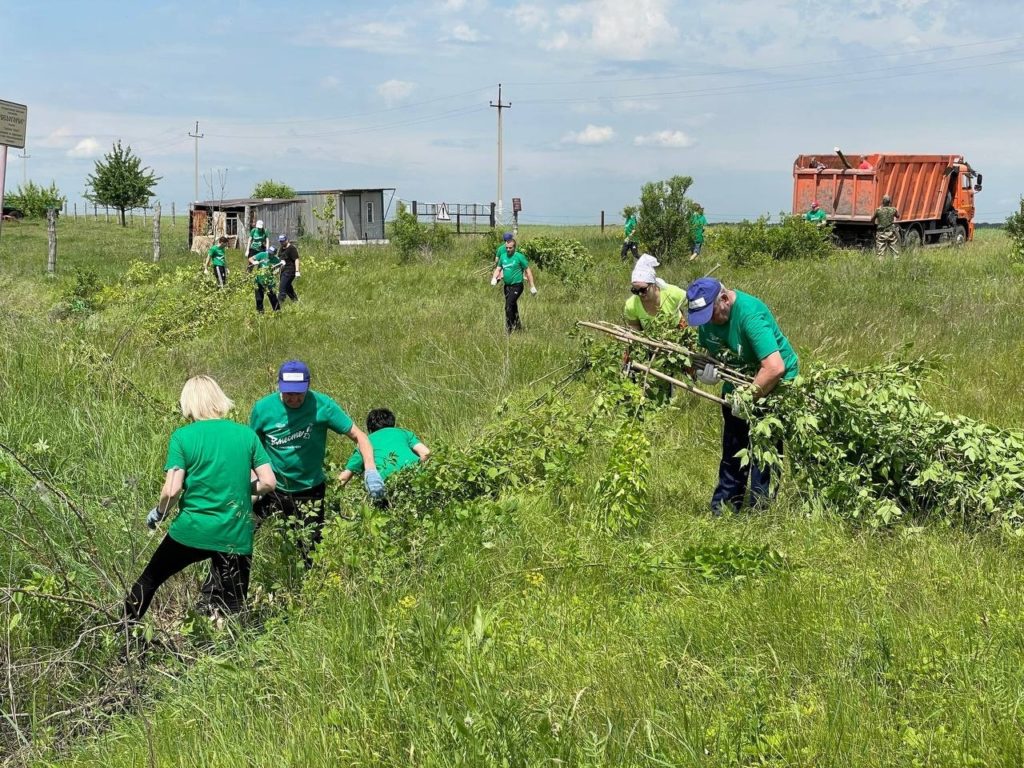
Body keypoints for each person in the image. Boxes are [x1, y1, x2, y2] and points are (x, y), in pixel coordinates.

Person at [124, 376, 276, 622]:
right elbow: (269, 482)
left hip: (192, 530)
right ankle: (232, 651)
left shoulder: (183, 437)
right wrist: (240, 490)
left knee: (149, 580)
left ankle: (124, 632)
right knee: (234, 603)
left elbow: (172, 490)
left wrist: (160, 512)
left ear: (188, 403)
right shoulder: (246, 435)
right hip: (234, 531)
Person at [248, 360, 382, 564]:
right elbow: (251, 447)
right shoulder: (263, 409)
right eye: (288, 393)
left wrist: (370, 469)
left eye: (298, 393)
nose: (293, 398)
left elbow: (359, 436)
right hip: (272, 488)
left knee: (311, 551)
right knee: (243, 535)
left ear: (308, 386)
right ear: (279, 386)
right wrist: (252, 482)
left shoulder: (322, 405)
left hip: (310, 491)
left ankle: (308, 588)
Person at [685, 277, 799, 516]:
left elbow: (774, 367)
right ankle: (724, 509)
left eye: (711, 314)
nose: (708, 322)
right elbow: (705, 355)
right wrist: (703, 373)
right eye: (703, 318)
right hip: (738, 383)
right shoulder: (708, 318)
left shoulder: (749, 315)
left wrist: (748, 397)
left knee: (764, 452)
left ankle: (761, 511)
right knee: (733, 448)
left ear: (725, 299)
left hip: (773, 386)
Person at [337, 408, 430, 505]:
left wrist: (332, 497)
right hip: (416, 480)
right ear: (392, 422)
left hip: (385, 486)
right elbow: (426, 453)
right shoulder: (403, 432)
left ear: (370, 428)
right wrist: (413, 468)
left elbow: (344, 477)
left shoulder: (365, 442)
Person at [624, 254, 686, 335]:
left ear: (653, 284)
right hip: (651, 340)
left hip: (678, 333)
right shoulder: (631, 305)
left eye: (643, 289)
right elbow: (634, 325)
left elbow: (693, 303)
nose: (639, 294)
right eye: (635, 290)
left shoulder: (672, 293)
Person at [490, 238, 537, 333]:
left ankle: (509, 329)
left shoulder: (519, 257)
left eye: (510, 248)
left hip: (517, 286)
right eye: (507, 248)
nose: (508, 250)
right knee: (513, 306)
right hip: (507, 287)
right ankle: (518, 326)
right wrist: (494, 278)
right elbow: (498, 269)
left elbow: (528, 271)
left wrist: (532, 286)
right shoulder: (503, 257)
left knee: (508, 306)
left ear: (514, 247)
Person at [249, 245, 281, 313]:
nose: (269, 254)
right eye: (269, 252)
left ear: (274, 254)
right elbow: (250, 258)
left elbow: (278, 270)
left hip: (269, 282)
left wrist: (277, 270)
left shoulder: (276, 260)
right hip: (259, 281)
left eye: (271, 253)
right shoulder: (262, 254)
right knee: (259, 299)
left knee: (273, 298)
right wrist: (253, 262)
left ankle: (277, 312)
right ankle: (260, 313)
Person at [873, 194, 900, 259]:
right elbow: (898, 216)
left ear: (882, 202)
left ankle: (881, 266)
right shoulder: (893, 209)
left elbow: (872, 219)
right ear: (890, 202)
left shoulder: (878, 210)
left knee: (880, 252)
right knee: (895, 251)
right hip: (891, 233)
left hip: (881, 233)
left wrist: (875, 224)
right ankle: (896, 265)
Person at [277, 234, 300, 303]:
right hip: (283, 270)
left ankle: (278, 305)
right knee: (287, 287)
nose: (281, 243)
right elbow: (279, 258)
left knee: (282, 288)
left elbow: (296, 259)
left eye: (283, 241)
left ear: (287, 240)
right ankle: (295, 301)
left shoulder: (292, 248)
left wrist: (297, 271)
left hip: (290, 271)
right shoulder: (281, 248)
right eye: (280, 241)